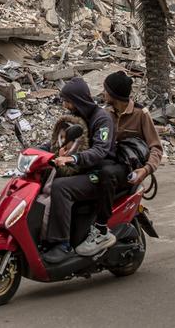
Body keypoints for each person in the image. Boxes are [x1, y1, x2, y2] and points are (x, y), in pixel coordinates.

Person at [75, 70, 163, 257]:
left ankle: (100, 229)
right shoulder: (105, 113)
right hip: (110, 163)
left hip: (127, 169)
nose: (103, 94)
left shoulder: (140, 114)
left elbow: (156, 148)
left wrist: (145, 170)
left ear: (114, 95)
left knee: (105, 174)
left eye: (106, 90)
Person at [43, 76, 115, 264]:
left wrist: (74, 158)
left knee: (60, 187)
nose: (65, 106)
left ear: (79, 100)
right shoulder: (78, 118)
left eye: (68, 101)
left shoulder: (102, 119)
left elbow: (100, 150)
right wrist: (37, 151)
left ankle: (62, 244)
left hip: (99, 173)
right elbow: (62, 140)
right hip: (82, 170)